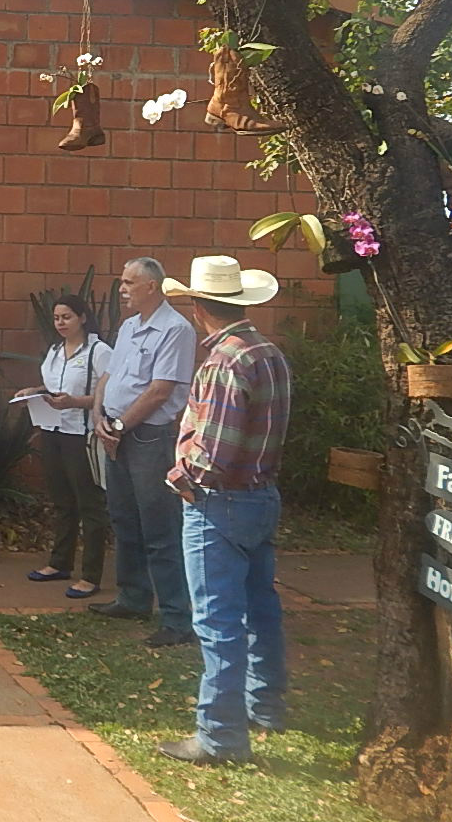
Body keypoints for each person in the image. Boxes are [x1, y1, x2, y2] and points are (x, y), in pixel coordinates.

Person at [158, 256, 291, 764]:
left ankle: (220, 736)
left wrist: (182, 481)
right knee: (262, 607)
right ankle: (267, 705)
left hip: (221, 504)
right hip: (262, 496)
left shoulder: (225, 361)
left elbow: (214, 450)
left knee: (218, 622)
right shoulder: (268, 352)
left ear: (197, 307)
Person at [89, 257, 197, 647]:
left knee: (159, 528)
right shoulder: (129, 326)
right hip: (116, 434)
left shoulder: (175, 329)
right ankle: (133, 598)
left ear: (153, 286)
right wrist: (99, 415)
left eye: (129, 282)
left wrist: (119, 426)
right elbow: (109, 376)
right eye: (121, 281)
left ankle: (176, 617)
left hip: (149, 438)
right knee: (124, 519)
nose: (122, 289)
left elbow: (160, 390)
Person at [22, 294, 112, 598]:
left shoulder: (99, 352)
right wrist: (35, 391)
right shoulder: (55, 350)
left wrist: (76, 403)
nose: (61, 323)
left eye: (67, 317)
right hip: (53, 430)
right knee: (62, 502)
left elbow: (110, 396)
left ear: (83, 318)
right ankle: (60, 563)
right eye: (57, 318)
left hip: (81, 435)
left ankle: (91, 574)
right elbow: (53, 387)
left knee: (90, 504)